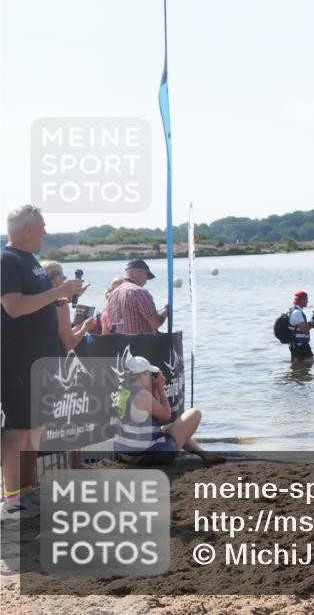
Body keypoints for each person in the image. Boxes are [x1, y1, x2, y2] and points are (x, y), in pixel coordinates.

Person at [1, 205, 85, 520]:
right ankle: (11, 500)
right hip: (19, 360)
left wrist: (61, 298)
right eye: (42, 226)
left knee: (31, 429)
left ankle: (25, 492)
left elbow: (33, 303)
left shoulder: (30, 260)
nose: (46, 232)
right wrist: (58, 291)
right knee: (16, 431)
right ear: (27, 229)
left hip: (38, 359)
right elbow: (14, 307)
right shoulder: (7, 259)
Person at [114, 355, 224, 465]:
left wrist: (155, 387)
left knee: (171, 428)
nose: (150, 377)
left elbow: (157, 417)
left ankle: (205, 455)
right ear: (142, 376)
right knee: (195, 414)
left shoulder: (123, 390)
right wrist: (160, 388)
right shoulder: (142, 395)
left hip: (127, 454)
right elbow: (166, 416)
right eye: (149, 374)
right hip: (145, 456)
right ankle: (203, 455)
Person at [40, 262, 99, 352]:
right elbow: (68, 344)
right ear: (57, 278)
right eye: (63, 278)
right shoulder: (60, 305)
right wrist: (85, 329)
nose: (64, 282)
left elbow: (60, 336)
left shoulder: (36, 301)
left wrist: (81, 326)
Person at [105, 259, 168, 335]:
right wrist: (164, 313)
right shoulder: (139, 292)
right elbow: (154, 323)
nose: (146, 281)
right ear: (140, 272)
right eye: (146, 276)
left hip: (120, 341)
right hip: (141, 341)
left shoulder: (112, 294)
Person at [287, 290, 314, 365]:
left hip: (295, 345)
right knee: (310, 362)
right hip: (301, 345)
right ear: (302, 300)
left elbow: (302, 327)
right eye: (306, 299)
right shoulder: (297, 313)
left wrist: (313, 320)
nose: (307, 301)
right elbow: (305, 330)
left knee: (297, 366)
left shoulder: (292, 310)